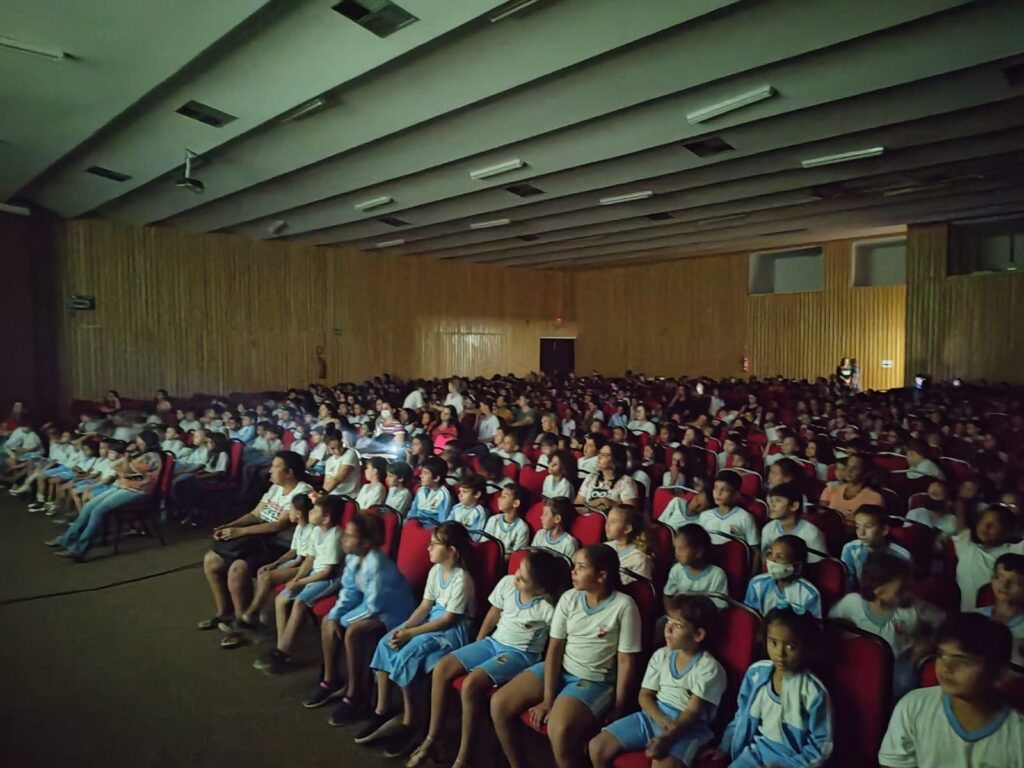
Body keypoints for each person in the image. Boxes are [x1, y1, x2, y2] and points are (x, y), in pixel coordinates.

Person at [407, 549, 564, 768]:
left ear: (539, 588)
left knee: (471, 684)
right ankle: (432, 737)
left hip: (518, 653)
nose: (516, 576)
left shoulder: (546, 608)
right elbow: (493, 614)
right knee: (443, 668)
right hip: (492, 643)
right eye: (518, 570)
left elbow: (558, 643)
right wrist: (478, 642)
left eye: (523, 578)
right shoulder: (508, 584)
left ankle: (464, 754)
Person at [491, 545, 642, 768]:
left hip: (594, 680)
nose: (573, 572)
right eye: (574, 566)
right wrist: (548, 698)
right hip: (562, 668)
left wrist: (620, 707)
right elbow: (554, 649)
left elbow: (626, 660)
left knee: (558, 729)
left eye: (581, 567)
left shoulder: (624, 606)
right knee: (499, 704)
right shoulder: (569, 598)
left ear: (601, 576)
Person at [358, 522, 475, 758]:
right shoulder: (435, 571)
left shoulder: (462, 579)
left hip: (452, 631)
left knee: (406, 654)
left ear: (452, 551)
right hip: (433, 620)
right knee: (386, 642)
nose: (428, 548)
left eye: (434, 544)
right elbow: (424, 607)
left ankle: (410, 721)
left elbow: (448, 620)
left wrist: (410, 634)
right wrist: (405, 628)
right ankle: (383, 709)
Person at [589, 595, 726, 768]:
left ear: (698, 635)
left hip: (687, 728)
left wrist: (668, 737)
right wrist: (660, 718)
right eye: (668, 621)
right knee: (597, 747)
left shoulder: (709, 668)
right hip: (653, 715)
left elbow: (692, 713)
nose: (667, 629)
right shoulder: (661, 655)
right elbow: (645, 696)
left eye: (677, 626)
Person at [305, 512, 416, 722]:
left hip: (393, 615)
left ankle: (355, 694)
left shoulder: (378, 565)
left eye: (350, 536)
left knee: (353, 631)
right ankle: (330, 679)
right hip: (372, 607)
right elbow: (349, 591)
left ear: (365, 543)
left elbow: (375, 606)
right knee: (329, 619)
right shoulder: (354, 557)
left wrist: (345, 621)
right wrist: (337, 615)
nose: (344, 539)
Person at [878, 614, 1024, 768]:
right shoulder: (913, 706)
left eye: (962, 661)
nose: (946, 667)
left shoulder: (1017, 735)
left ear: (999, 674)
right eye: (941, 655)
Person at [196, 451, 312, 631]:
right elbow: (255, 514)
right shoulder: (275, 488)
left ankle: (240, 623)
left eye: (275, 466)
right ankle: (223, 613)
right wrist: (228, 526)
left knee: (238, 568)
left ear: (289, 472)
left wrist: (239, 532)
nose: (270, 471)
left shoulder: (302, 491)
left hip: (283, 546)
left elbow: (278, 526)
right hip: (259, 539)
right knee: (211, 559)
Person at [715, 608, 833, 767]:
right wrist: (724, 747)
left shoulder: (813, 691)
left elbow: (822, 744)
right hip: (755, 754)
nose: (780, 654)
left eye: (790, 646)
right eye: (774, 643)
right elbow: (741, 715)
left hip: (793, 761)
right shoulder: (755, 674)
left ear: (805, 646)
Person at [829, 553, 943, 698]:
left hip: (901, 686)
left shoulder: (913, 609)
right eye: (902, 590)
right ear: (879, 592)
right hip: (861, 682)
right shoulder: (851, 604)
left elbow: (947, 625)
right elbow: (829, 625)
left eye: (909, 587)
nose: (908, 594)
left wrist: (929, 644)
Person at [255, 495, 346, 672]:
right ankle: (283, 648)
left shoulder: (335, 535)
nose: (310, 512)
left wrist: (302, 581)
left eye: (314, 510)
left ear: (326, 518)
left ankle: (282, 652)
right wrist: (297, 579)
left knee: (300, 602)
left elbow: (327, 571)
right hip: (315, 574)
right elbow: (310, 559)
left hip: (331, 579)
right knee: (281, 599)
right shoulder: (317, 531)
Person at [45, 430, 163, 562]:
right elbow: (120, 470)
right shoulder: (143, 456)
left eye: (139, 441)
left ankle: (79, 549)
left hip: (138, 490)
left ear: (146, 442)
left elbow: (125, 470)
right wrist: (125, 462)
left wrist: (126, 457)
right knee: (89, 505)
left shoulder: (150, 457)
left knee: (98, 511)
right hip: (124, 485)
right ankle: (67, 539)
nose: (137, 444)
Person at [220, 494, 315, 649]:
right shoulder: (299, 527)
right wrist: (274, 564)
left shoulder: (312, 530)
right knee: (262, 571)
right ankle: (261, 619)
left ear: (298, 513)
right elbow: (292, 552)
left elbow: (302, 560)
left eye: (290, 509)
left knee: (267, 578)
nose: (288, 512)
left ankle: (250, 614)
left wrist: (285, 570)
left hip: (304, 567)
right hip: (297, 561)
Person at [953, 503, 1024, 611]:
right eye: (982, 521)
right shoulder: (967, 548)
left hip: (1000, 620)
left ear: (1008, 531)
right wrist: (962, 500)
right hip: (967, 619)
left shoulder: (1014, 551)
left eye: (994, 524)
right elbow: (961, 526)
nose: (985, 526)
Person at [744, 536, 822, 619]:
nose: (772, 561)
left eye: (779, 557)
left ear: (797, 566)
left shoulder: (809, 594)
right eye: (770, 554)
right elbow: (750, 619)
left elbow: (813, 627)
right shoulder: (756, 584)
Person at [698, 471, 760, 572]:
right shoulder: (704, 516)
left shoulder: (745, 517)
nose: (718, 493)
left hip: (734, 569)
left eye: (724, 490)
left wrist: (752, 577)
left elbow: (755, 551)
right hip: (708, 566)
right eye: (716, 488)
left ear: (736, 494)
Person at [841, 505, 912, 592]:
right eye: (857, 527)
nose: (861, 533)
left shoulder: (902, 555)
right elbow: (849, 586)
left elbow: (903, 590)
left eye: (868, 526)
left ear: (884, 530)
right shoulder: (850, 549)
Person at [975, 553, 1024, 666]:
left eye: (1014, 582)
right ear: (992, 579)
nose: (1004, 585)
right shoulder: (976, 617)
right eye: (999, 578)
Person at [760, 482, 826, 563]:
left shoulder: (812, 533)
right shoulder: (768, 529)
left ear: (794, 506)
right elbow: (765, 560)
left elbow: (819, 565)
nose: (772, 505)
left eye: (778, 500)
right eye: (771, 501)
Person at [818, 454, 884, 526]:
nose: (849, 470)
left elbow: (870, 528)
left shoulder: (874, 498)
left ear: (865, 473)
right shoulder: (834, 490)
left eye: (855, 468)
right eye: (848, 466)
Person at [576, 442, 639, 511]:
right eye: (600, 453)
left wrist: (610, 503)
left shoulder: (626, 481)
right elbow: (577, 506)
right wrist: (591, 505)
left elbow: (630, 512)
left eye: (605, 455)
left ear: (617, 461)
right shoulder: (590, 478)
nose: (599, 457)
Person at [604, 504, 652, 584]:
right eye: (607, 521)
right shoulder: (605, 547)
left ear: (627, 528)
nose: (607, 525)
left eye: (613, 522)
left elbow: (643, 590)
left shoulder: (639, 559)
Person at [484, 484, 531, 556]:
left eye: (504, 497)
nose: (498, 499)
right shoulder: (493, 520)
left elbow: (516, 555)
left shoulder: (522, 528)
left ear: (515, 503)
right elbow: (484, 543)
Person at [406, 456, 452, 526]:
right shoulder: (420, 491)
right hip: (416, 526)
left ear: (436, 478)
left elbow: (443, 521)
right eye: (421, 472)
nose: (421, 476)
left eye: (425, 473)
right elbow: (413, 512)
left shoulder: (443, 495)